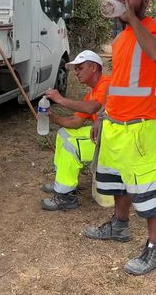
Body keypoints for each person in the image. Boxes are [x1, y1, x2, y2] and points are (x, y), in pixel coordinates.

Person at [84, 0, 156, 276]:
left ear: (145, 0)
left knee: (149, 191)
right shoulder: (120, 39)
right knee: (118, 182)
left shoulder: (155, 29)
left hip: (140, 127)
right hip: (115, 125)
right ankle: (119, 227)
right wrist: (102, 117)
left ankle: (153, 248)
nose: (125, 0)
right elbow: (118, 83)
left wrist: (132, 19)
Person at [40, 50, 110, 211]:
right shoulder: (90, 93)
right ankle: (62, 181)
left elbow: (94, 107)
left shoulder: (107, 84)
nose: (76, 73)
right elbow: (75, 122)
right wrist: (52, 117)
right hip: (102, 137)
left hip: (113, 142)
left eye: (80, 68)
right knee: (64, 133)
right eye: (76, 69)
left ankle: (66, 196)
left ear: (93, 67)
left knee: (70, 144)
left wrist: (60, 99)